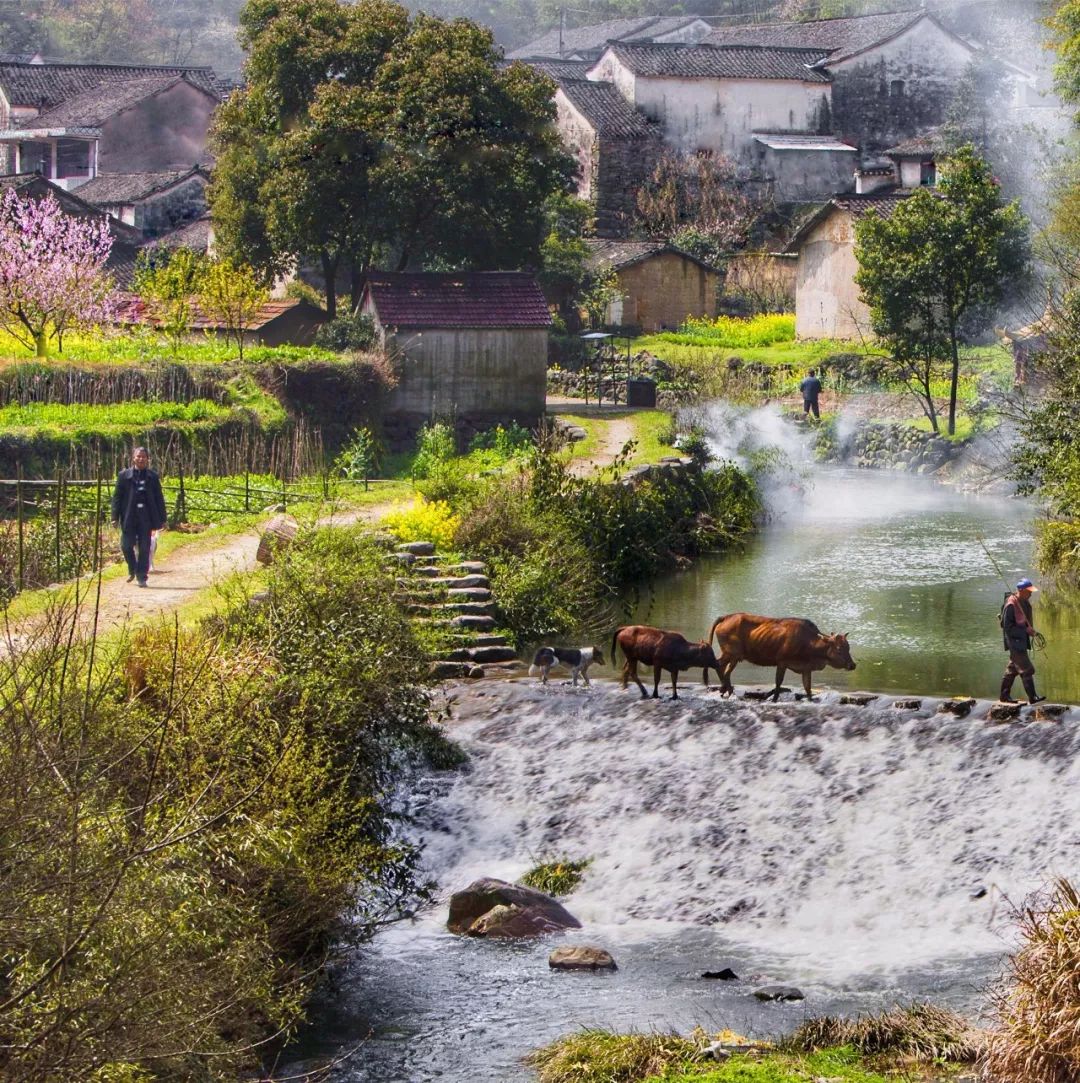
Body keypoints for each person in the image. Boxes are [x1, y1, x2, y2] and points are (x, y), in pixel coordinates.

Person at [111, 447, 167, 587]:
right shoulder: (124, 476)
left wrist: (163, 518)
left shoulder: (152, 477)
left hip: (146, 517)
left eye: (144, 457)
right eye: (138, 456)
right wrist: (114, 516)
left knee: (144, 547)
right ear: (133, 458)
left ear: (148, 459)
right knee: (126, 545)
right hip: (129, 515)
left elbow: (159, 498)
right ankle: (132, 568)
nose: (141, 459)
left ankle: (142, 576)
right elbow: (117, 498)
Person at [1000, 578, 1047, 705]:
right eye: (1028, 591)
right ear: (1021, 590)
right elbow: (1007, 628)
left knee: (1012, 670)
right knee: (1027, 669)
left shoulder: (1023, 602)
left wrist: (1029, 630)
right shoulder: (1010, 605)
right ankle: (1033, 697)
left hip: (1020, 641)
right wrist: (1026, 630)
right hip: (1014, 642)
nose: (1030, 594)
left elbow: (1024, 623)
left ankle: (1004, 696)